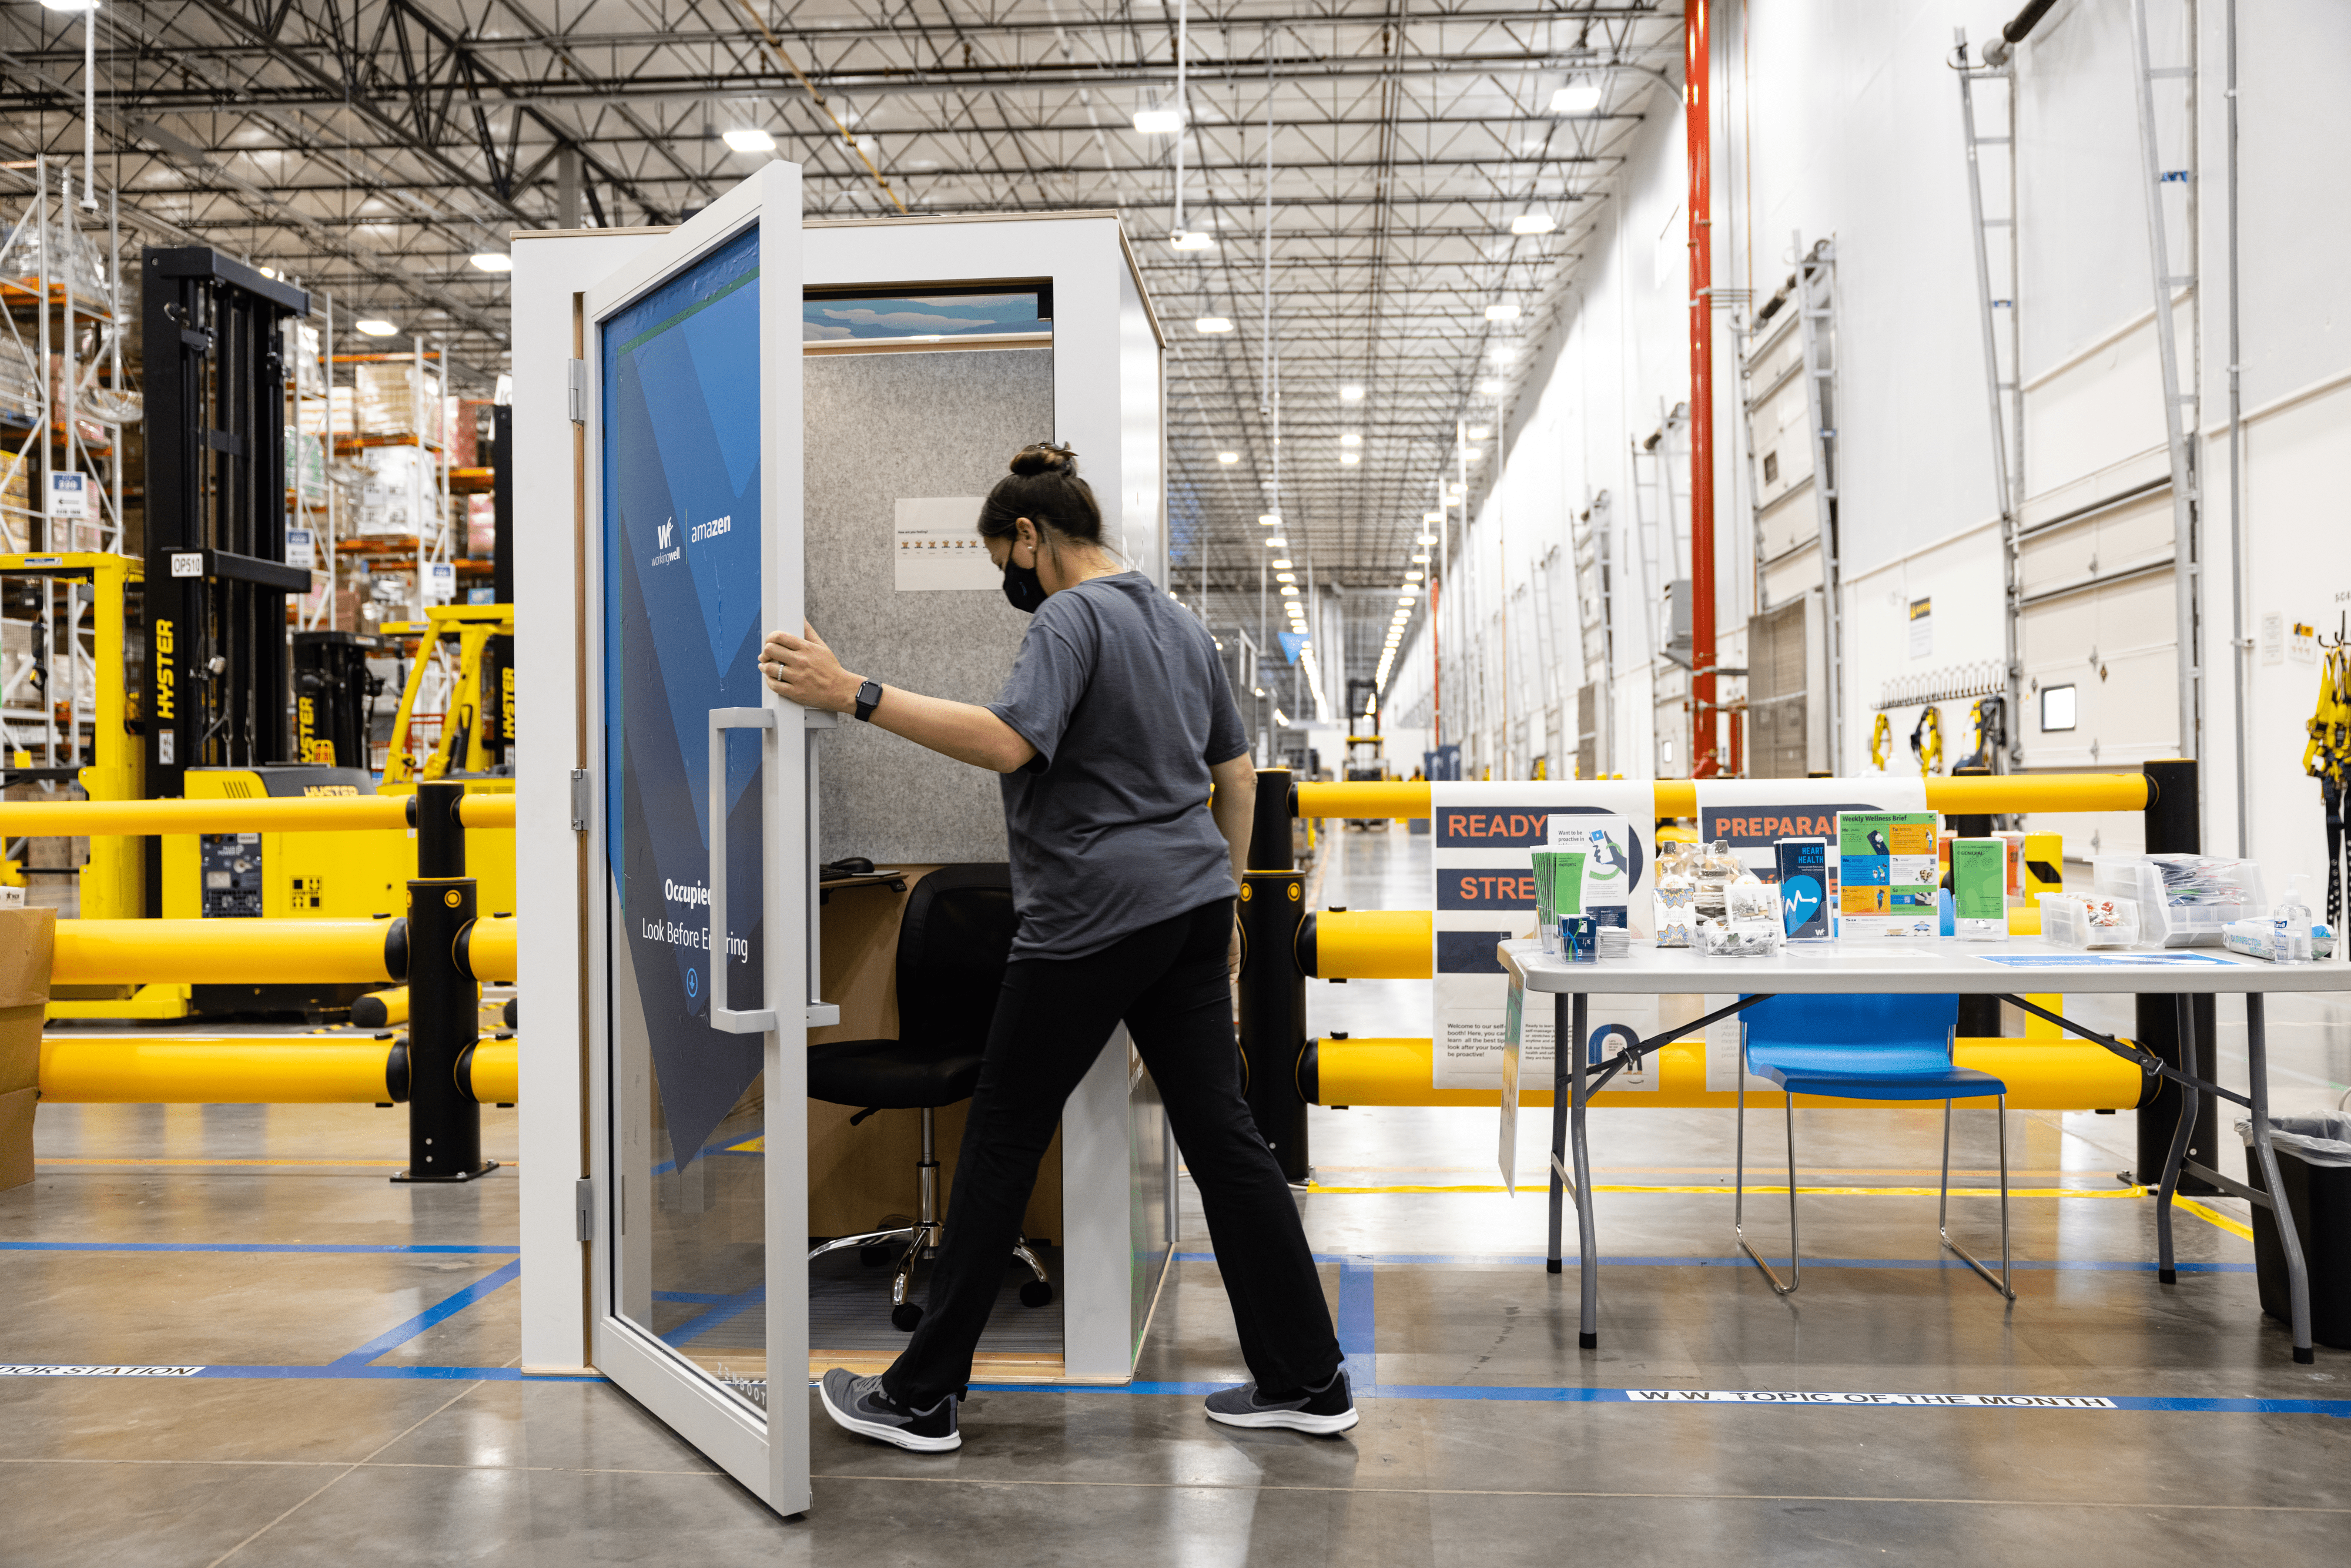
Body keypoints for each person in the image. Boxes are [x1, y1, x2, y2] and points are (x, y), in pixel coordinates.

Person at [759, 443, 1353, 1453]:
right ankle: (1309, 1376)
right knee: (1224, 1142)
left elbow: (1007, 740)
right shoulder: (1175, 619)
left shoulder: (1074, 617)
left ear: (1031, 537)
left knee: (1000, 1134)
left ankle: (921, 1396)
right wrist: (1233, 909)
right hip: (1193, 908)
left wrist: (849, 690)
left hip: (1089, 916)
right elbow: (1240, 778)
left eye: (1005, 559)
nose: (1009, 582)